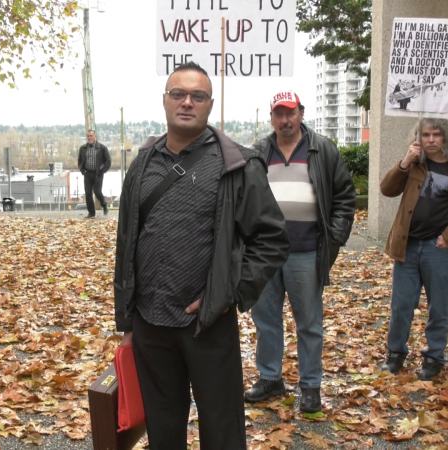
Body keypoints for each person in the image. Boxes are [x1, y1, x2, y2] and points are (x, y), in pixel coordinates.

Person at [114, 62, 289, 450]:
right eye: (178, 94)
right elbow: (126, 241)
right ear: (165, 101)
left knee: (222, 431)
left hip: (207, 323)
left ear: (210, 105)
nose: (187, 102)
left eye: (198, 96)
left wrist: (227, 295)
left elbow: (272, 240)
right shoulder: (142, 164)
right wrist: (126, 320)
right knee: (162, 430)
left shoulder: (237, 166)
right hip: (150, 324)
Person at [244, 92, 356, 413]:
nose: (285, 120)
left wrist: (333, 238)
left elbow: (344, 198)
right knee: (265, 320)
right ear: (271, 118)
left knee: (308, 322)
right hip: (266, 254)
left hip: (307, 252)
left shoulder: (323, 150)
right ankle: (270, 377)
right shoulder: (259, 152)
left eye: (290, 113)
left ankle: (310, 385)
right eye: (279, 114)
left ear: (301, 113)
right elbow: (245, 199)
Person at [380, 118, 448, 380]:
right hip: (408, 245)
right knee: (401, 305)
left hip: (440, 250)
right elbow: (387, 189)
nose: (430, 140)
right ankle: (395, 355)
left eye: (436, 135)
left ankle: (434, 358)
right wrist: (405, 162)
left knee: (439, 307)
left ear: (446, 137)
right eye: (425, 134)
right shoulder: (415, 164)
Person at [77, 129, 110, 218]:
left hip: (98, 174)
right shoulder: (83, 148)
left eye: (91, 136)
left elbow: (108, 161)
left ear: (95, 136)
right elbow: (80, 160)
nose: (89, 137)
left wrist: (102, 171)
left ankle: (104, 204)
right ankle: (91, 213)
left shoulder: (102, 148)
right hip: (87, 173)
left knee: (97, 191)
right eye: (88, 136)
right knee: (88, 193)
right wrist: (82, 170)